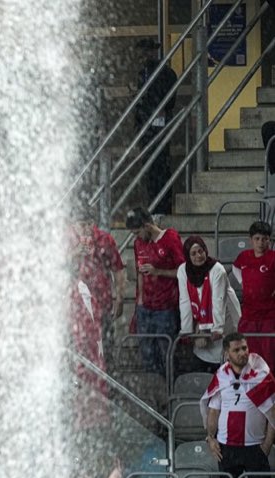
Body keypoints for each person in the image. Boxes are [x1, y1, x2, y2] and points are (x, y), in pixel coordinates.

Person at [200, 332, 275, 478]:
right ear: (227, 354)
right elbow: (213, 411)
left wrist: (266, 444)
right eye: (237, 350)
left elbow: (273, 414)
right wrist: (210, 438)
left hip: (255, 446)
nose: (243, 352)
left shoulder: (261, 374)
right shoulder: (221, 376)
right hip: (227, 447)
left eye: (244, 348)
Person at [126, 206, 185, 375]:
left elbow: (183, 271)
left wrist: (158, 272)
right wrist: (140, 301)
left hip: (166, 306)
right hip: (146, 306)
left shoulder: (170, 238)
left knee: (166, 353)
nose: (136, 237)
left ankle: (169, 390)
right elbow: (140, 272)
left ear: (146, 226)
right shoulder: (139, 244)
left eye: (137, 232)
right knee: (147, 353)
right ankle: (153, 391)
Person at [176, 236, 241, 373]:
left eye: (201, 251)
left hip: (225, 318)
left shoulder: (217, 269)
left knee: (226, 361)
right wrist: (187, 329)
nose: (198, 256)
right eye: (193, 254)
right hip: (202, 319)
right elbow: (185, 301)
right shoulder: (183, 271)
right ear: (187, 256)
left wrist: (217, 328)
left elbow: (218, 300)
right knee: (204, 358)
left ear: (206, 250)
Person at [70, 212, 125, 365]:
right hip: (77, 306)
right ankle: (80, 380)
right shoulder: (69, 239)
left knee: (104, 347)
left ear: (91, 223)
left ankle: (107, 379)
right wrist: (76, 252)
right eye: (79, 226)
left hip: (102, 303)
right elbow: (57, 266)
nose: (83, 229)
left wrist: (120, 298)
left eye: (86, 225)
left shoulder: (104, 239)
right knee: (79, 346)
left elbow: (118, 269)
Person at [133, 38, 178, 215]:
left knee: (158, 166)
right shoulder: (145, 73)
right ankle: (157, 204)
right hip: (148, 125)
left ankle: (161, 205)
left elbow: (166, 101)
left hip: (155, 125)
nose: (144, 56)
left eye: (146, 51)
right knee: (154, 166)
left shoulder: (161, 73)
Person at [233, 220, 275, 370]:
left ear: (269, 240)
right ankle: (251, 390)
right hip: (249, 316)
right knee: (248, 357)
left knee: (269, 358)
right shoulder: (243, 257)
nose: (261, 242)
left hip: (269, 316)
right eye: (257, 239)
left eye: (264, 239)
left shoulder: (273, 258)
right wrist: (243, 283)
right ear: (251, 240)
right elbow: (235, 268)